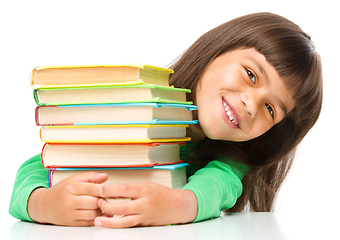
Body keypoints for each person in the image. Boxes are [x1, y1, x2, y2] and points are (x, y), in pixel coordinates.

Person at [9, 12, 323, 228]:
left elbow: (219, 186)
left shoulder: (230, 161)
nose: (251, 104)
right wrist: (43, 204)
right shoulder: (137, 110)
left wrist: (178, 204)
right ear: (215, 51)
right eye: (251, 74)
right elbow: (40, 166)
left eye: (271, 109)